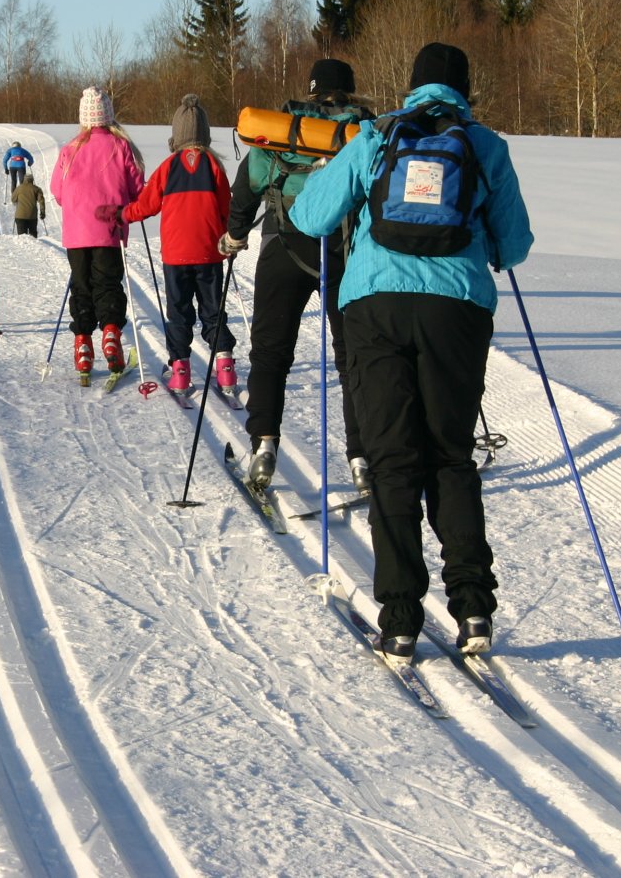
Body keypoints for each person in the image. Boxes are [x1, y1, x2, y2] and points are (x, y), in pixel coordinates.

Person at [288, 42, 533, 663]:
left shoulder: (377, 136)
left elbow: (312, 216)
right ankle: (474, 608)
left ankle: (399, 619)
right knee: (449, 456)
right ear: (464, 90)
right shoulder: (484, 145)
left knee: (393, 460)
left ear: (413, 88)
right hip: (457, 310)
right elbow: (517, 243)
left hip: (376, 306)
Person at [219, 58, 375, 493]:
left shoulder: (280, 130)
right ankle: (362, 458)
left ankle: (264, 444)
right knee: (353, 358)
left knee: (271, 352)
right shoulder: (364, 135)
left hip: (284, 247)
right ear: (351, 93)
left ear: (309, 92)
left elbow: (245, 188)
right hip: (345, 252)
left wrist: (234, 237)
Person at [103, 94, 236, 395]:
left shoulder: (167, 166)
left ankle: (180, 371)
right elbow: (226, 209)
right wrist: (230, 238)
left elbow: (146, 206)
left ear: (176, 134)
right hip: (209, 253)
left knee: (179, 312)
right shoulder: (215, 167)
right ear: (205, 134)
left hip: (176, 256)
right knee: (213, 311)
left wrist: (123, 214)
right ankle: (225, 369)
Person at [49, 86, 145, 379]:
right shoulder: (121, 146)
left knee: (81, 287)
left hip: (77, 235)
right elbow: (137, 187)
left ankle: (82, 346)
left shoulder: (71, 148)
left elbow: (57, 191)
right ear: (109, 116)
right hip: (109, 230)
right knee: (107, 284)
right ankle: (111, 334)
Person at [11, 171, 46, 237]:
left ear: (24, 179)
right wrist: (42, 212)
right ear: (32, 180)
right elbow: (41, 201)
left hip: (20, 216)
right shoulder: (37, 189)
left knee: (22, 237)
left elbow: (13, 199)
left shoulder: (19, 188)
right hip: (32, 216)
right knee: (33, 237)